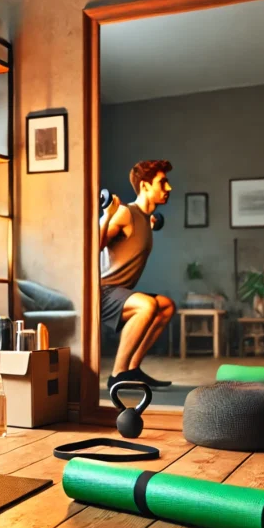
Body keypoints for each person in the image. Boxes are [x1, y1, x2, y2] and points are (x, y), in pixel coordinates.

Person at [99, 159, 176, 391]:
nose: (168, 188)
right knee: (147, 306)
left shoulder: (145, 219)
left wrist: (148, 223)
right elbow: (92, 245)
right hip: (101, 292)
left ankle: (132, 369)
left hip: (119, 293)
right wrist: (107, 216)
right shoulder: (124, 213)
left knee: (165, 306)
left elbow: (136, 233)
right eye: (162, 183)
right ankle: (117, 376)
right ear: (144, 186)